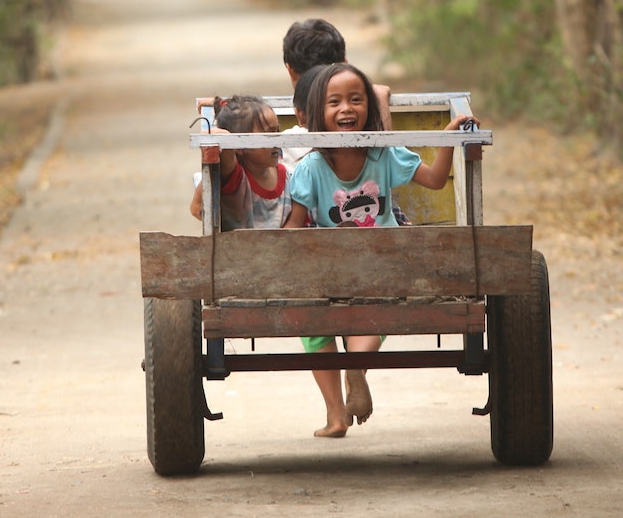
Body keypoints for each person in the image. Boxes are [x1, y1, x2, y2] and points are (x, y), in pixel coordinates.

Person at [283, 62, 476, 438]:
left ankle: (337, 416)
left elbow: (294, 227)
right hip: (383, 267)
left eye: (356, 100)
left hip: (338, 268)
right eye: (334, 102)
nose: (346, 109)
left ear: (369, 109)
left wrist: (447, 138)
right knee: (375, 314)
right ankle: (356, 366)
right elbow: (437, 181)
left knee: (315, 326)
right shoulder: (374, 156)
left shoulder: (360, 158)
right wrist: (447, 141)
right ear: (319, 115)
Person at [189, 95, 290, 231]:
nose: (276, 140)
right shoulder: (236, 178)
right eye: (269, 134)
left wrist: (220, 103)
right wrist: (222, 107)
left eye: (277, 131)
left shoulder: (284, 171)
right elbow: (222, 144)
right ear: (239, 146)